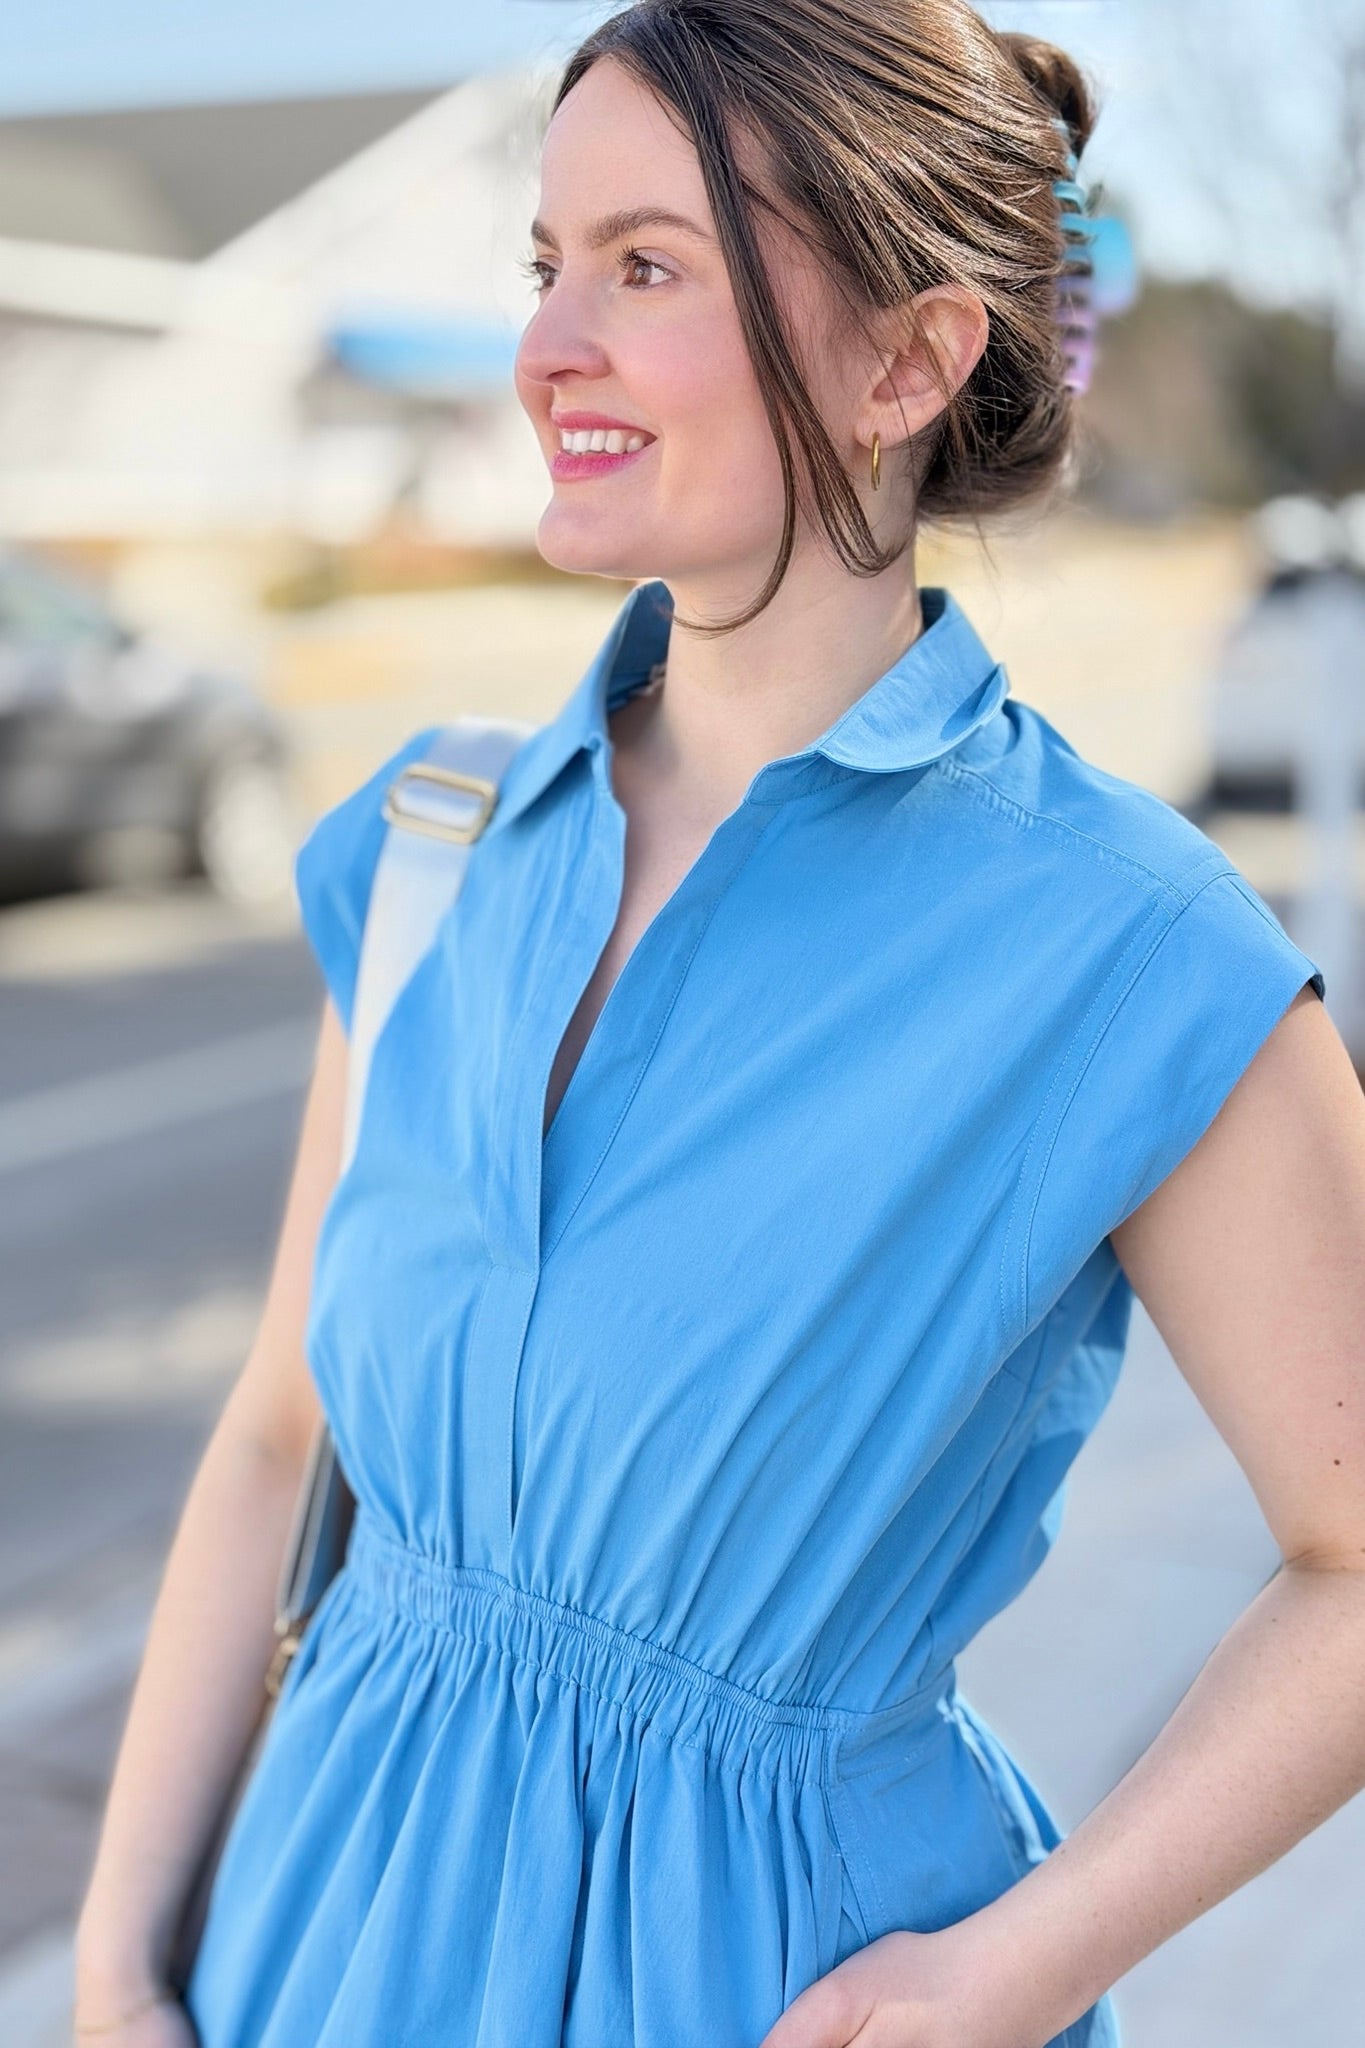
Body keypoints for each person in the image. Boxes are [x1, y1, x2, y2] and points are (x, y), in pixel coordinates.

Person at [73, 3, 1365, 2044]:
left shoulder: (1126, 950)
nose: (544, 347)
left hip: (764, 1984)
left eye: (645, 265)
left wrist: (1024, 1963)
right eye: (544, 262)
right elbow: (269, 1438)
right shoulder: (427, 847)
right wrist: (117, 1967)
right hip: (313, 1946)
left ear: (905, 360)